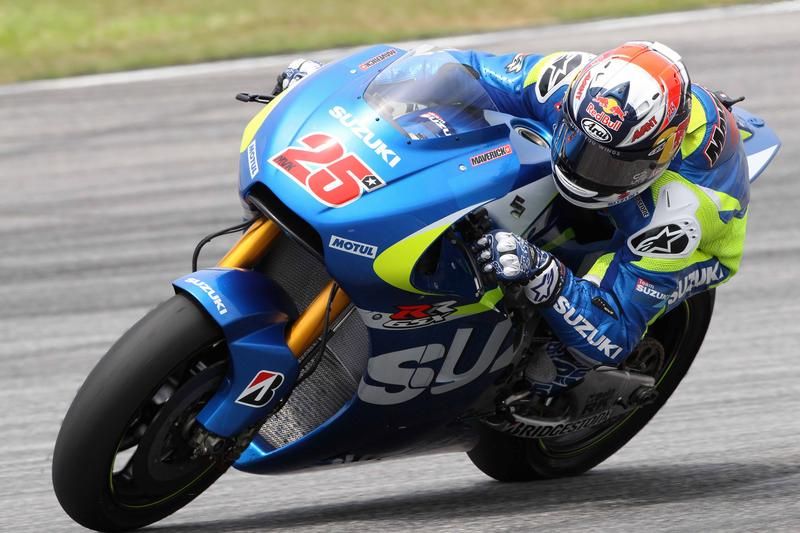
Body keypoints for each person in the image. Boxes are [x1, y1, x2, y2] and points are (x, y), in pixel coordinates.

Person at [275, 42, 749, 398]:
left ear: (657, 156)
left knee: (561, 360)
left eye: (611, 165)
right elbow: (457, 71)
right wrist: (344, 92)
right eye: (577, 142)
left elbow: (614, 333)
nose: (585, 169)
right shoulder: (565, 80)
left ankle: (557, 385)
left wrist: (548, 277)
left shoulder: (679, 216)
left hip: (691, 243)